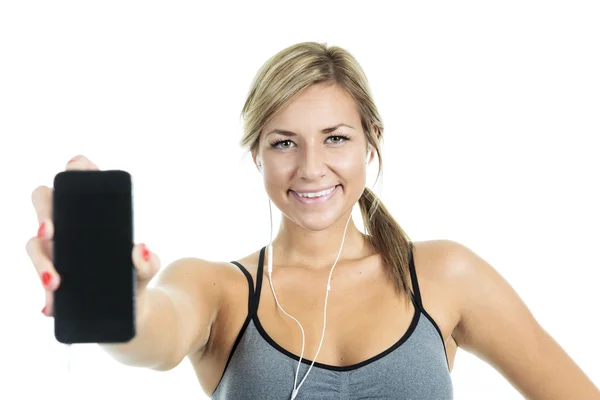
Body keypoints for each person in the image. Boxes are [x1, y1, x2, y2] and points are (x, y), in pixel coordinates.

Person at [26, 42, 599, 400]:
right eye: (284, 143)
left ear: (369, 144)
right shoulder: (220, 289)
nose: (311, 167)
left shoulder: (445, 274)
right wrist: (116, 300)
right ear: (257, 154)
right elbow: (153, 337)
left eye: (335, 138)